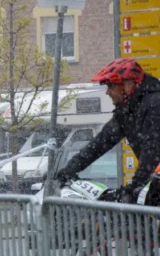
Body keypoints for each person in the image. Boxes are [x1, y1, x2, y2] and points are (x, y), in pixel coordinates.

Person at [56, 58, 160, 206]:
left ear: (128, 85)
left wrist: (135, 187)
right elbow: (99, 144)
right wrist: (67, 170)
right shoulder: (127, 110)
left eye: (111, 86)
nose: (107, 92)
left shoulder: (155, 105)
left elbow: (152, 152)